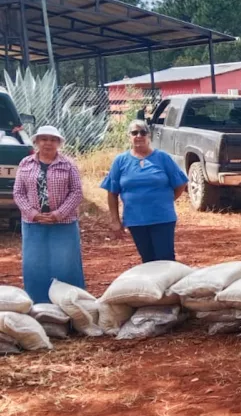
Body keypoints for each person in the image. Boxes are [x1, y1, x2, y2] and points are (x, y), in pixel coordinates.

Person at [12, 126, 85, 303]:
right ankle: (39, 305)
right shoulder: (25, 163)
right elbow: (18, 193)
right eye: (43, 139)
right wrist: (33, 214)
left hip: (63, 224)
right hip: (33, 224)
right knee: (34, 265)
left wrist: (58, 214)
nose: (48, 143)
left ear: (58, 143)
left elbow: (76, 192)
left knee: (65, 265)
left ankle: (69, 306)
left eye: (52, 140)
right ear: (36, 142)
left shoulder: (68, 165)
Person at [101, 120, 188, 263]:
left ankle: (168, 285)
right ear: (129, 136)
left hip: (162, 218)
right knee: (147, 259)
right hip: (135, 220)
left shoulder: (162, 158)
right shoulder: (120, 161)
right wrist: (115, 221)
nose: (139, 136)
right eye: (134, 133)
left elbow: (181, 183)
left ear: (149, 136)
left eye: (143, 132)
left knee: (165, 258)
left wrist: (166, 199)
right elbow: (112, 192)